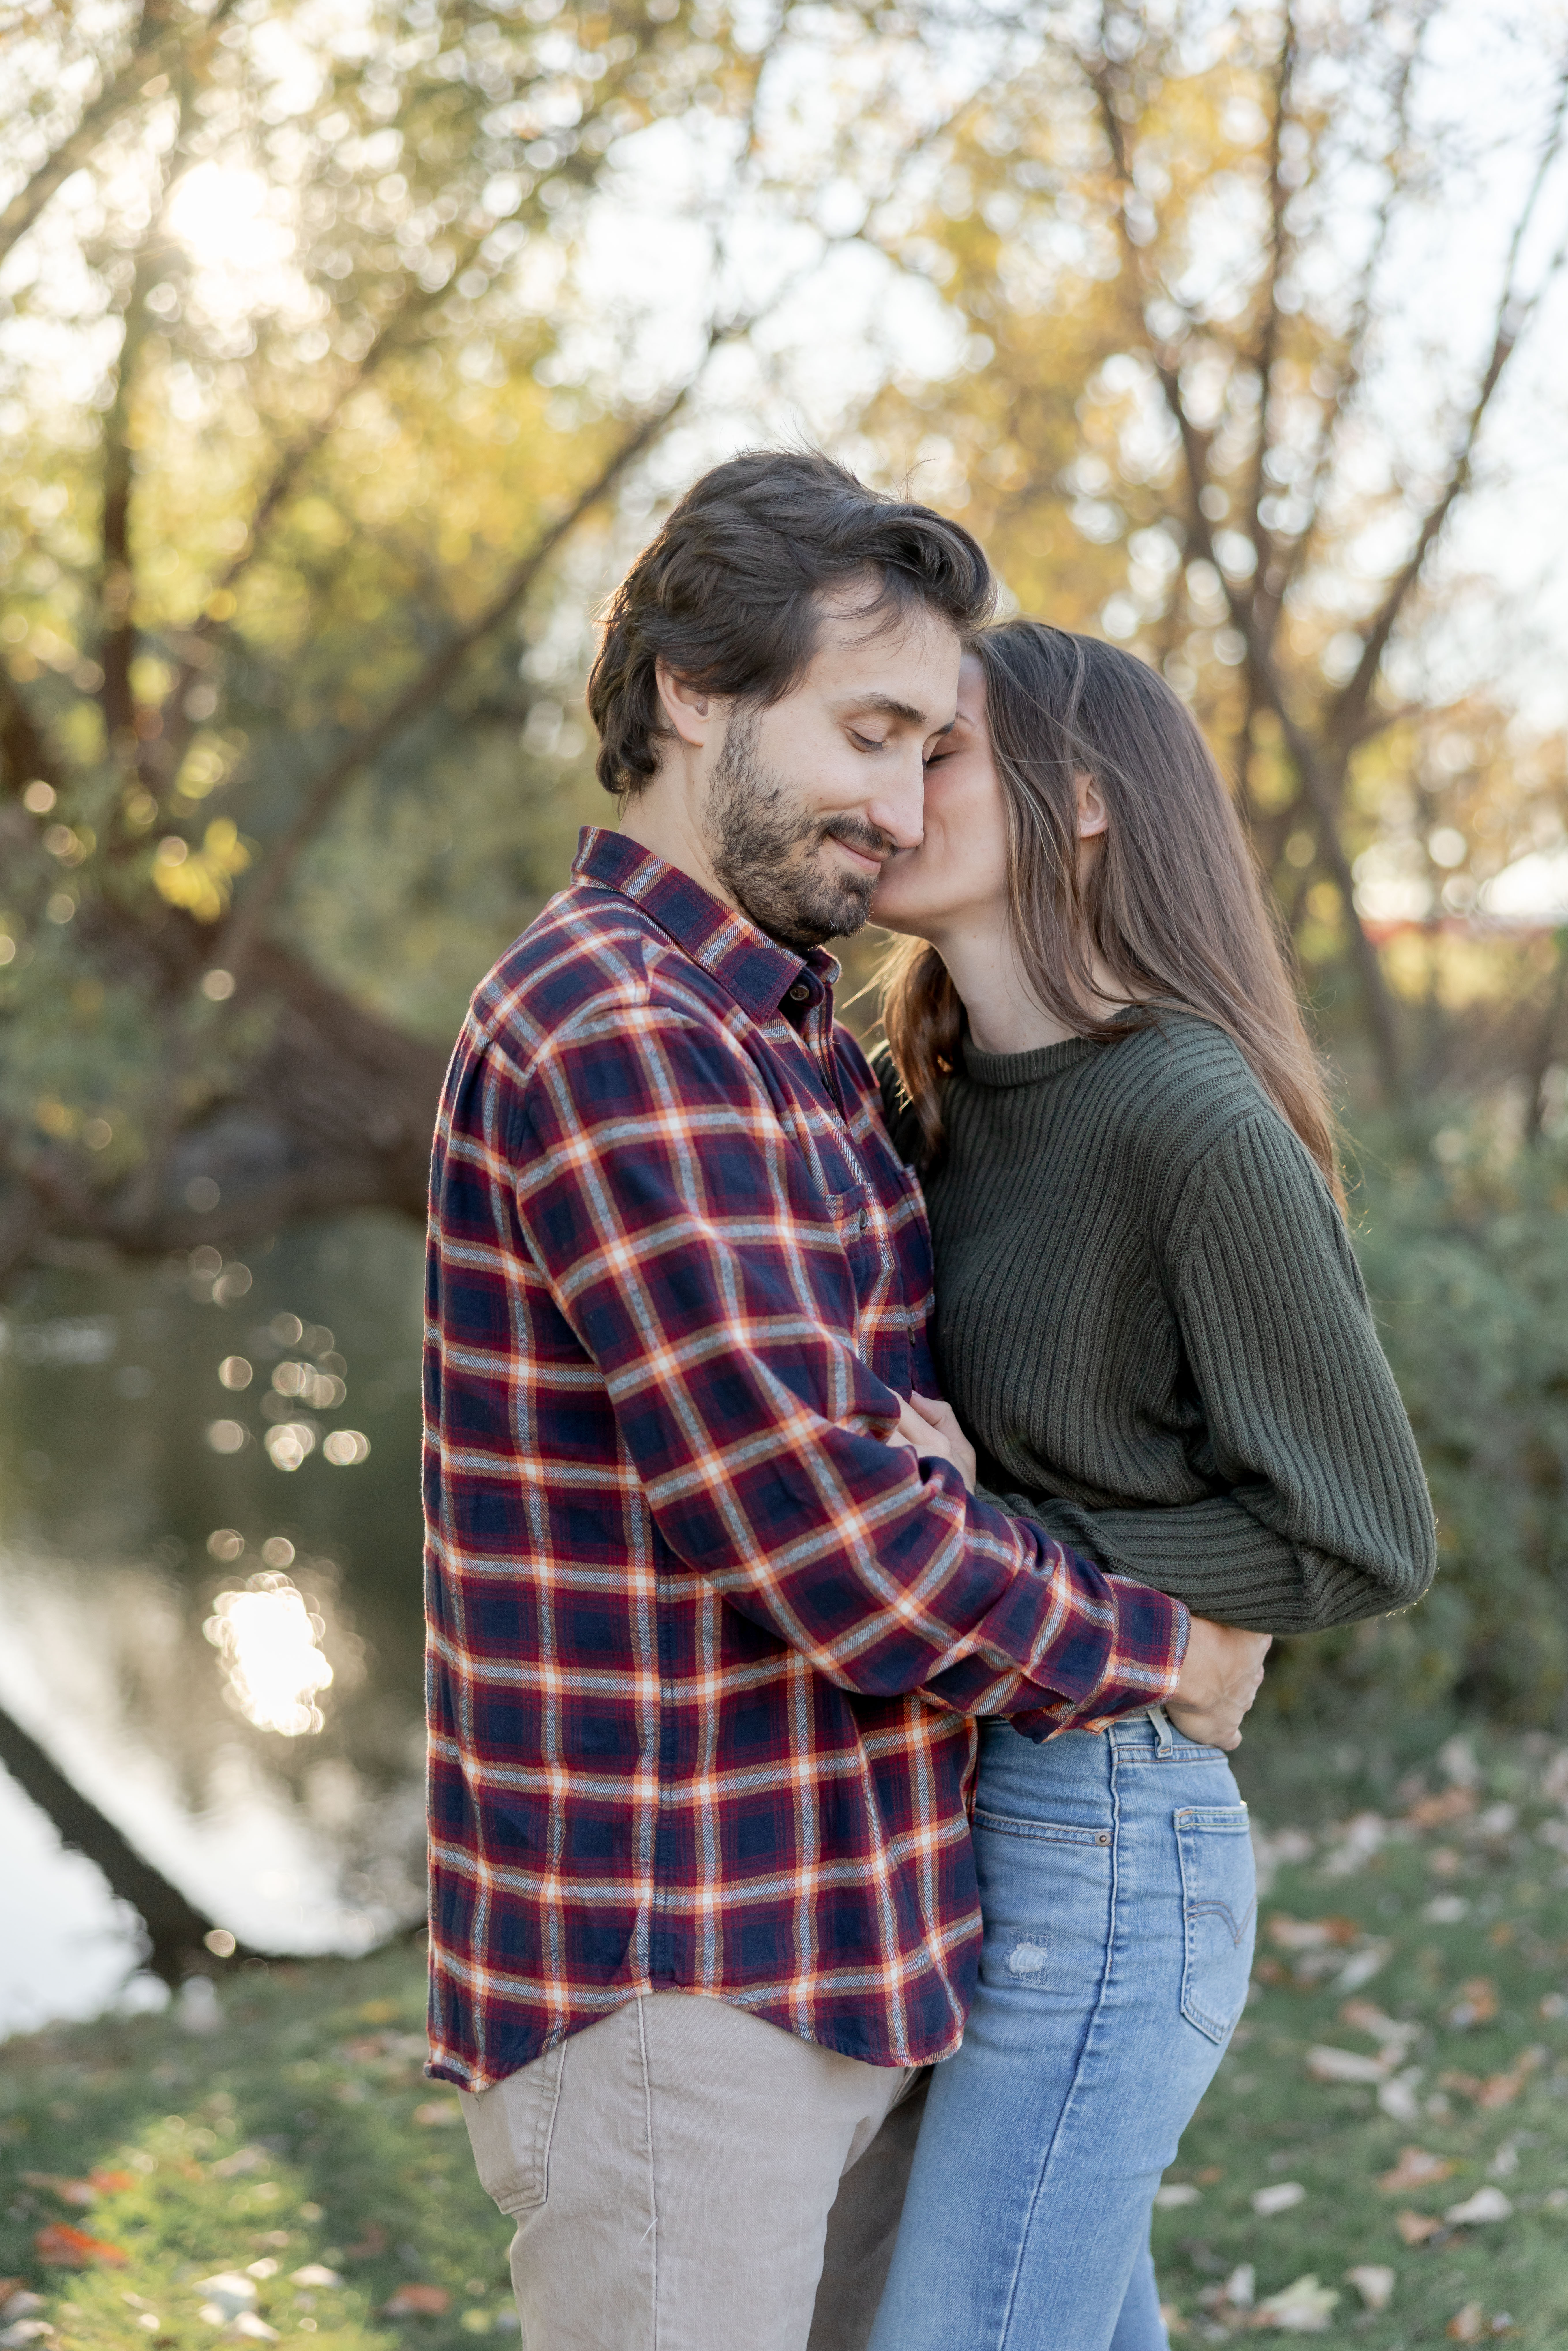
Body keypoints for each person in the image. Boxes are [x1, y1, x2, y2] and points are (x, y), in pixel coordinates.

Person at [421, 454, 1267, 2351]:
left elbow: (920, 1445)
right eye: (866, 734)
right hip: (680, 1987)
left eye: (928, 751)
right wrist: (1165, 1653)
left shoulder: (785, 1035)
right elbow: (823, 1529)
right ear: (695, 691)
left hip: (864, 1941)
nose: (898, 811)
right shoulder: (618, 1027)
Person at [850, 621, 1438, 2351]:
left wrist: (1016, 1534)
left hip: (1108, 1837)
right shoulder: (934, 1100)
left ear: (1084, 800)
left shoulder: (1185, 1109)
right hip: (962, 1820)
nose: (895, 792)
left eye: (939, 749)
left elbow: (1364, 1532)